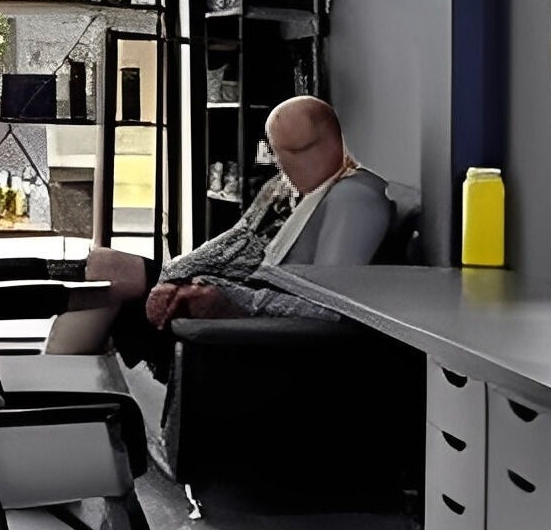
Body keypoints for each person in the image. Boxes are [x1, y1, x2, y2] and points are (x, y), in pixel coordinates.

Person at [43, 95, 392, 371]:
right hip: (204, 282)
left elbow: (330, 312)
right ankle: (59, 385)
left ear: (333, 141)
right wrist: (177, 271)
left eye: (299, 152)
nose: (286, 165)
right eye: (280, 153)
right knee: (102, 268)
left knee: (108, 272)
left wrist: (225, 299)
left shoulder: (354, 199)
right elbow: (234, 239)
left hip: (236, 312)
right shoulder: (284, 186)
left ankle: (56, 392)